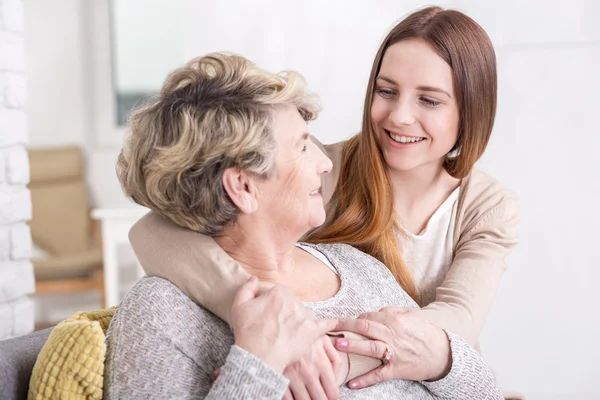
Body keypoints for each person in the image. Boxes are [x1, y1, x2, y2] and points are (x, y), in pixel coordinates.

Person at [127, 5, 520, 398]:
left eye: (429, 101)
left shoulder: (485, 207)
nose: (400, 116)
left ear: (470, 112)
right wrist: (264, 318)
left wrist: (339, 356)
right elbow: (157, 228)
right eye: (386, 91)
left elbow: (457, 324)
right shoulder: (323, 170)